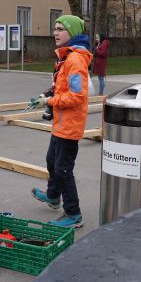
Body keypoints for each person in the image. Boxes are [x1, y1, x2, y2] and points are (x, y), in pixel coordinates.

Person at [30, 15, 92, 228]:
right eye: (54, 28)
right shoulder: (66, 57)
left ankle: (73, 214)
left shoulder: (75, 60)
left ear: (72, 32)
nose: (55, 33)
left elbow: (77, 96)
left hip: (70, 125)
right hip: (60, 123)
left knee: (63, 169)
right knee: (51, 161)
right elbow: (61, 87)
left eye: (60, 29)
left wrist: (49, 101)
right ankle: (53, 196)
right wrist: (46, 94)